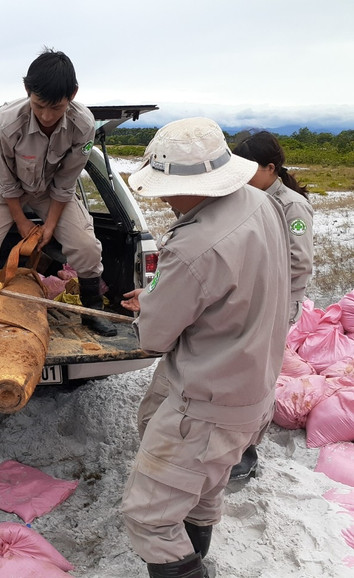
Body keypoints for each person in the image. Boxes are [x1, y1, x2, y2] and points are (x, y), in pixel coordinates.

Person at [119, 118, 291, 577]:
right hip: (252, 387)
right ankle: (198, 550)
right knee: (203, 486)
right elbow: (228, 293)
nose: (162, 197)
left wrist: (153, 308)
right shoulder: (260, 202)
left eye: (166, 187)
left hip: (207, 402)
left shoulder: (194, 246)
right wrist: (166, 298)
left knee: (146, 518)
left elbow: (154, 337)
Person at [0, 48, 116, 340]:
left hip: (52, 190)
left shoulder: (84, 125)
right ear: (27, 91)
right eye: (39, 106)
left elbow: (66, 182)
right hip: (8, 188)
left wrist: (50, 226)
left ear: (73, 94)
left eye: (56, 108)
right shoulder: (6, 121)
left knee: (86, 247)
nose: (47, 116)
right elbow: (5, 178)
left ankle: (91, 309)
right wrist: (22, 222)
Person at [229, 131, 314, 481]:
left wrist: (277, 302)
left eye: (251, 169)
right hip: (251, 298)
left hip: (276, 302)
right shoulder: (250, 195)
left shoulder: (291, 205)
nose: (244, 176)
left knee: (258, 376)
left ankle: (248, 449)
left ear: (271, 168)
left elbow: (300, 263)